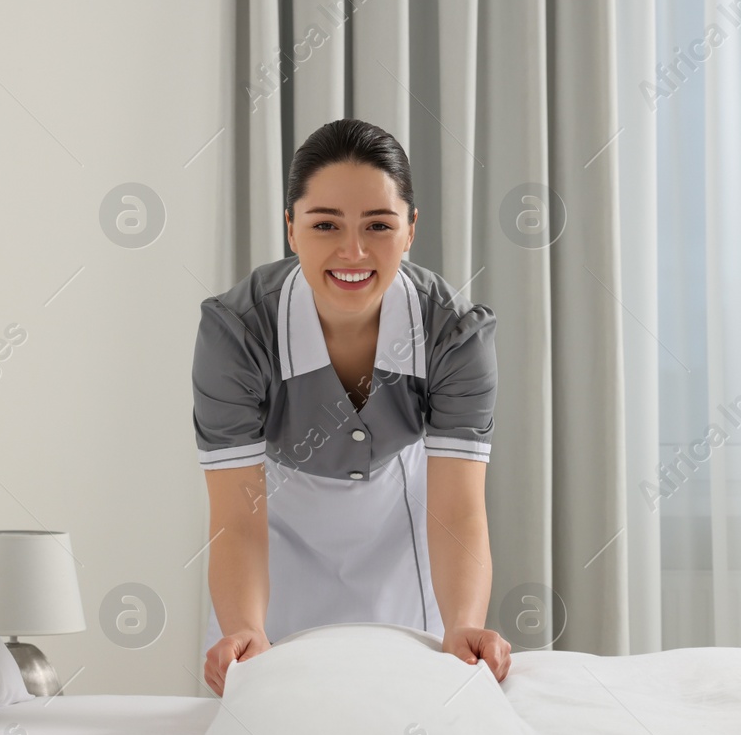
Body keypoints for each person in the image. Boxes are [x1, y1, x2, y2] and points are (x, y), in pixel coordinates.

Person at [191, 117, 511, 696]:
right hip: (267, 560)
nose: (353, 251)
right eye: (325, 224)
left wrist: (464, 622)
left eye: (379, 225)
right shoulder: (237, 333)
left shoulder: (454, 334)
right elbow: (237, 518)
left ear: (411, 229)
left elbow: (459, 509)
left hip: (406, 555)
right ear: (291, 228)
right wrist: (243, 628)